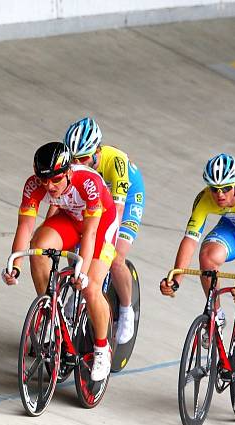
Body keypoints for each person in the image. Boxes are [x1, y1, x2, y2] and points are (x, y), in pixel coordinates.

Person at [160, 154, 235, 408]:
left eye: (225, 189)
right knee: (207, 256)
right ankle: (217, 314)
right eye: (215, 189)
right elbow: (190, 239)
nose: (220, 195)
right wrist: (176, 276)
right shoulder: (204, 199)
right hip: (231, 229)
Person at [2, 142, 118, 381]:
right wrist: (15, 264)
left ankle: (101, 348)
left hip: (100, 225)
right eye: (44, 181)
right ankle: (50, 309)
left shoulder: (89, 183)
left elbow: (91, 233)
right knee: (38, 247)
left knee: (91, 287)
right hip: (70, 220)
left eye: (55, 180)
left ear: (68, 172)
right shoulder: (35, 185)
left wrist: (82, 272)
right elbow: (25, 226)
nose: (49, 186)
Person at [64, 117, 145, 345]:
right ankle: (76, 289)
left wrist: (106, 247)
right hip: (98, 198)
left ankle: (127, 309)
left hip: (127, 199)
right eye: (73, 159)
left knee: (116, 257)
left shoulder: (115, 162)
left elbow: (117, 212)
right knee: (77, 247)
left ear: (96, 151)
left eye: (83, 158)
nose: (78, 163)